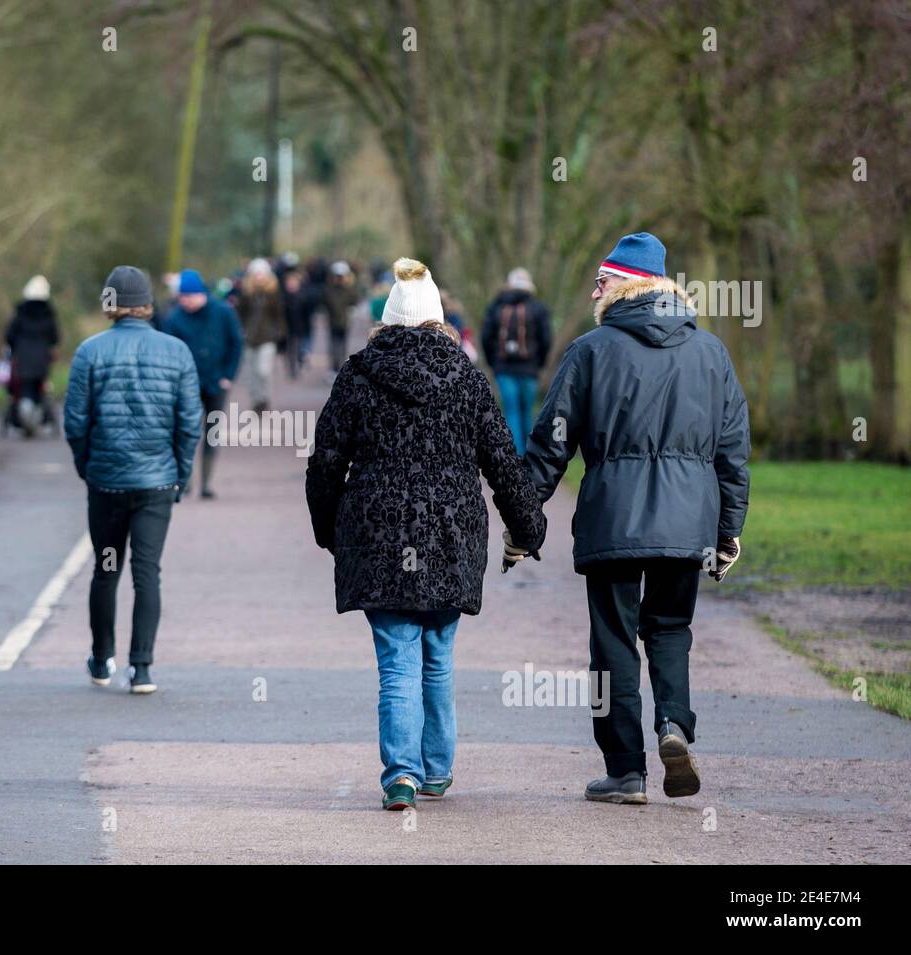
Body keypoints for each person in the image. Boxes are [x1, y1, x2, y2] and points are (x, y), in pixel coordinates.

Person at [306, 258, 547, 812]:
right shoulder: (466, 378)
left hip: (378, 534)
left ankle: (402, 776)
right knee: (437, 653)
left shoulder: (359, 375)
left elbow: (326, 462)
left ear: (386, 320)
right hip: (451, 535)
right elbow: (502, 463)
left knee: (396, 660)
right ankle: (436, 770)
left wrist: (330, 531)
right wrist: (528, 526)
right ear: (440, 320)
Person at [520, 232, 750, 805]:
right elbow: (733, 450)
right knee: (670, 631)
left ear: (630, 283)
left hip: (613, 522)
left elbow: (552, 443)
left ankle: (626, 772)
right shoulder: (711, 353)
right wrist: (728, 530)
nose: (593, 289)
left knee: (613, 643)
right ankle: (674, 725)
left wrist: (524, 518)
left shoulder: (591, 350)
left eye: (602, 279)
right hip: (688, 524)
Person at [64, 266, 203, 693]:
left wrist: (87, 467)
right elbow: (190, 422)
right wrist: (179, 474)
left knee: (106, 570)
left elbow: (75, 422)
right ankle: (141, 668)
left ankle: (102, 659)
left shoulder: (90, 351)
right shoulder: (176, 351)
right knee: (147, 574)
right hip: (157, 484)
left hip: (106, 484)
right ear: (147, 305)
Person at [163, 268, 244, 499]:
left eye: (188, 296)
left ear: (201, 294)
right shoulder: (174, 319)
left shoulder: (223, 312)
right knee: (187, 431)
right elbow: (168, 351)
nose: (185, 301)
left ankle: (206, 483)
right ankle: (186, 480)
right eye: (182, 297)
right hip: (186, 384)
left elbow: (236, 343)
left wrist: (228, 375)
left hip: (217, 382)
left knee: (212, 432)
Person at [481, 268, 553, 455]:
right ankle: (530, 456)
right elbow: (546, 339)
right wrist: (540, 363)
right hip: (529, 368)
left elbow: (485, 337)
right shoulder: (538, 307)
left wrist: (493, 363)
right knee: (527, 411)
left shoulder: (496, 306)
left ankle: (515, 457)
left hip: (504, 368)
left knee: (511, 411)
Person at [3, 274, 60, 436]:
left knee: (24, 389)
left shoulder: (20, 313)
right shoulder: (48, 314)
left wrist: (13, 350)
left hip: (23, 359)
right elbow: (55, 337)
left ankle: (23, 420)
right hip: (42, 360)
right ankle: (38, 419)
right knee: (39, 389)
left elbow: (9, 336)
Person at [235, 257, 285, 413]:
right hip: (249, 338)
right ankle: (255, 400)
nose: (259, 277)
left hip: (267, 338)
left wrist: (281, 333)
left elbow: (279, 315)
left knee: (263, 370)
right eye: (256, 274)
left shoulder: (273, 293)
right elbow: (240, 314)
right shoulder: (245, 293)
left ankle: (264, 398)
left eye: (261, 273)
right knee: (251, 373)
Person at [322, 260, 358, 379]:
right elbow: (326, 303)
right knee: (333, 346)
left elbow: (354, 302)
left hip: (344, 323)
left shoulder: (349, 290)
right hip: (333, 322)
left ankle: (340, 368)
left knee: (342, 346)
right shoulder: (328, 290)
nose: (339, 279)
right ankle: (334, 368)